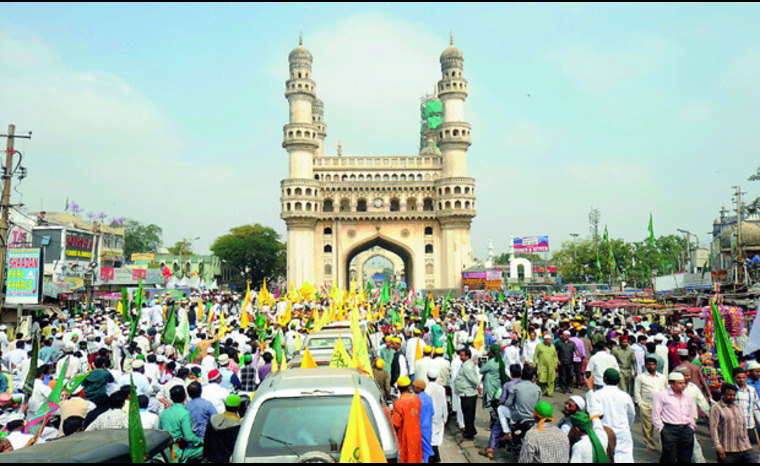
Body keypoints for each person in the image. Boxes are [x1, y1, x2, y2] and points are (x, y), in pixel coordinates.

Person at [586, 368, 635, 462]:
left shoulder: (598, 395)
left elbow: (592, 411)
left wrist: (590, 390)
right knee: (625, 458)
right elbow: (631, 414)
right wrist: (626, 427)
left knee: (607, 457)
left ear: (604, 379)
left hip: (606, 433)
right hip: (623, 433)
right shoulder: (625, 396)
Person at [652, 372, 695, 463]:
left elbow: (692, 413)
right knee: (669, 457)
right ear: (671, 384)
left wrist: (691, 427)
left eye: (684, 383)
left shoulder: (687, 396)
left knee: (686, 458)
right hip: (669, 430)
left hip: (686, 430)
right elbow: (656, 414)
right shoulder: (662, 395)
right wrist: (661, 429)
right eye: (680, 383)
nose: (683, 385)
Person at [674, 365, 711, 462]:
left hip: (690, 422)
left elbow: (702, 401)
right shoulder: (671, 388)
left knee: (694, 446)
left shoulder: (693, 387)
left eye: (689, 375)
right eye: (686, 376)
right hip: (675, 422)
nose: (689, 378)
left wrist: (709, 414)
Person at [710, 383, 753, 464]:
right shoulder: (716, 408)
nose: (732, 397)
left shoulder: (738, 407)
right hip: (727, 450)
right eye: (729, 395)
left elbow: (743, 426)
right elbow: (713, 428)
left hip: (743, 448)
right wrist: (718, 447)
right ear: (722, 394)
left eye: (734, 395)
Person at [159, 385, 203, 462]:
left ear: (171, 398)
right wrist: (200, 442)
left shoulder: (163, 413)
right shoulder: (184, 413)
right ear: (185, 395)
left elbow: (160, 432)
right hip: (178, 452)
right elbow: (189, 437)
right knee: (206, 449)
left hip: (166, 451)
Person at [634, 357, 668, 451]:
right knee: (647, 427)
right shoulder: (640, 377)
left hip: (661, 407)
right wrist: (640, 403)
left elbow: (666, 390)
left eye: (653, 364)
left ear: (656, 366)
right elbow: (637, 391)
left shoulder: (662, 377)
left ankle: (665, 446)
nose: (651, 366)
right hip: (646, 405)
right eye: (648, 364)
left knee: (663, 428)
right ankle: (650, 444)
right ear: (646, 365)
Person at [204, 394, 244, 463]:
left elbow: (207, 441)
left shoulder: (213, 419)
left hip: (213, 459)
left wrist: (206, 456)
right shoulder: (238, 425)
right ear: (238, 407)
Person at [391, 376, 422, 463]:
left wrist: (391, 413)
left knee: (406, 457)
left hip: (405, 435)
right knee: (416, 456)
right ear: (409, 387)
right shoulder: (417, 399)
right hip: (416, 433)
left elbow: (396, 423)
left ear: (398, 388)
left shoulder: (398, 404)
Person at [454, 347, 479, 440]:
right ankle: (470, 430)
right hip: (465, 393)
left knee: (468, 415)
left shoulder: (467, 367)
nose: (460, 357)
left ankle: (469, 433)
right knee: (468, 414)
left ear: (467, 356)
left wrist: (475, 386)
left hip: (468, 393)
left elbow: (474, 380)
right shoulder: (465, 364)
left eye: (462, 355)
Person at [732, 366, 760, 445]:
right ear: (734, 378)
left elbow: (756, 408)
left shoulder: (751, 390)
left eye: (744, 378)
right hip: (735, 426)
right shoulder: (731, 390)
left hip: (750, 425)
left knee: (749, 449)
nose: (741, 380)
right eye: (739, 378)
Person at [425, 368, 446, 464]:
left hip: (429, 416)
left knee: (430, 438)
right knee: (436, 438)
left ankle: (435, 458)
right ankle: (434, 457)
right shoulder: (441, 388)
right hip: (438, 415)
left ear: (427, 377)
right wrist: (445, 417)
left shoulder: (426, 388)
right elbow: (444, 404)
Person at [413, 379, 435, 463]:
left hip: (418, 427)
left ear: (418, 388)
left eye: (414, 387)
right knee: (426, 450)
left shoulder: (415, 399)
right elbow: (432, 412)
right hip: (427, 428)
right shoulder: (429, 398)